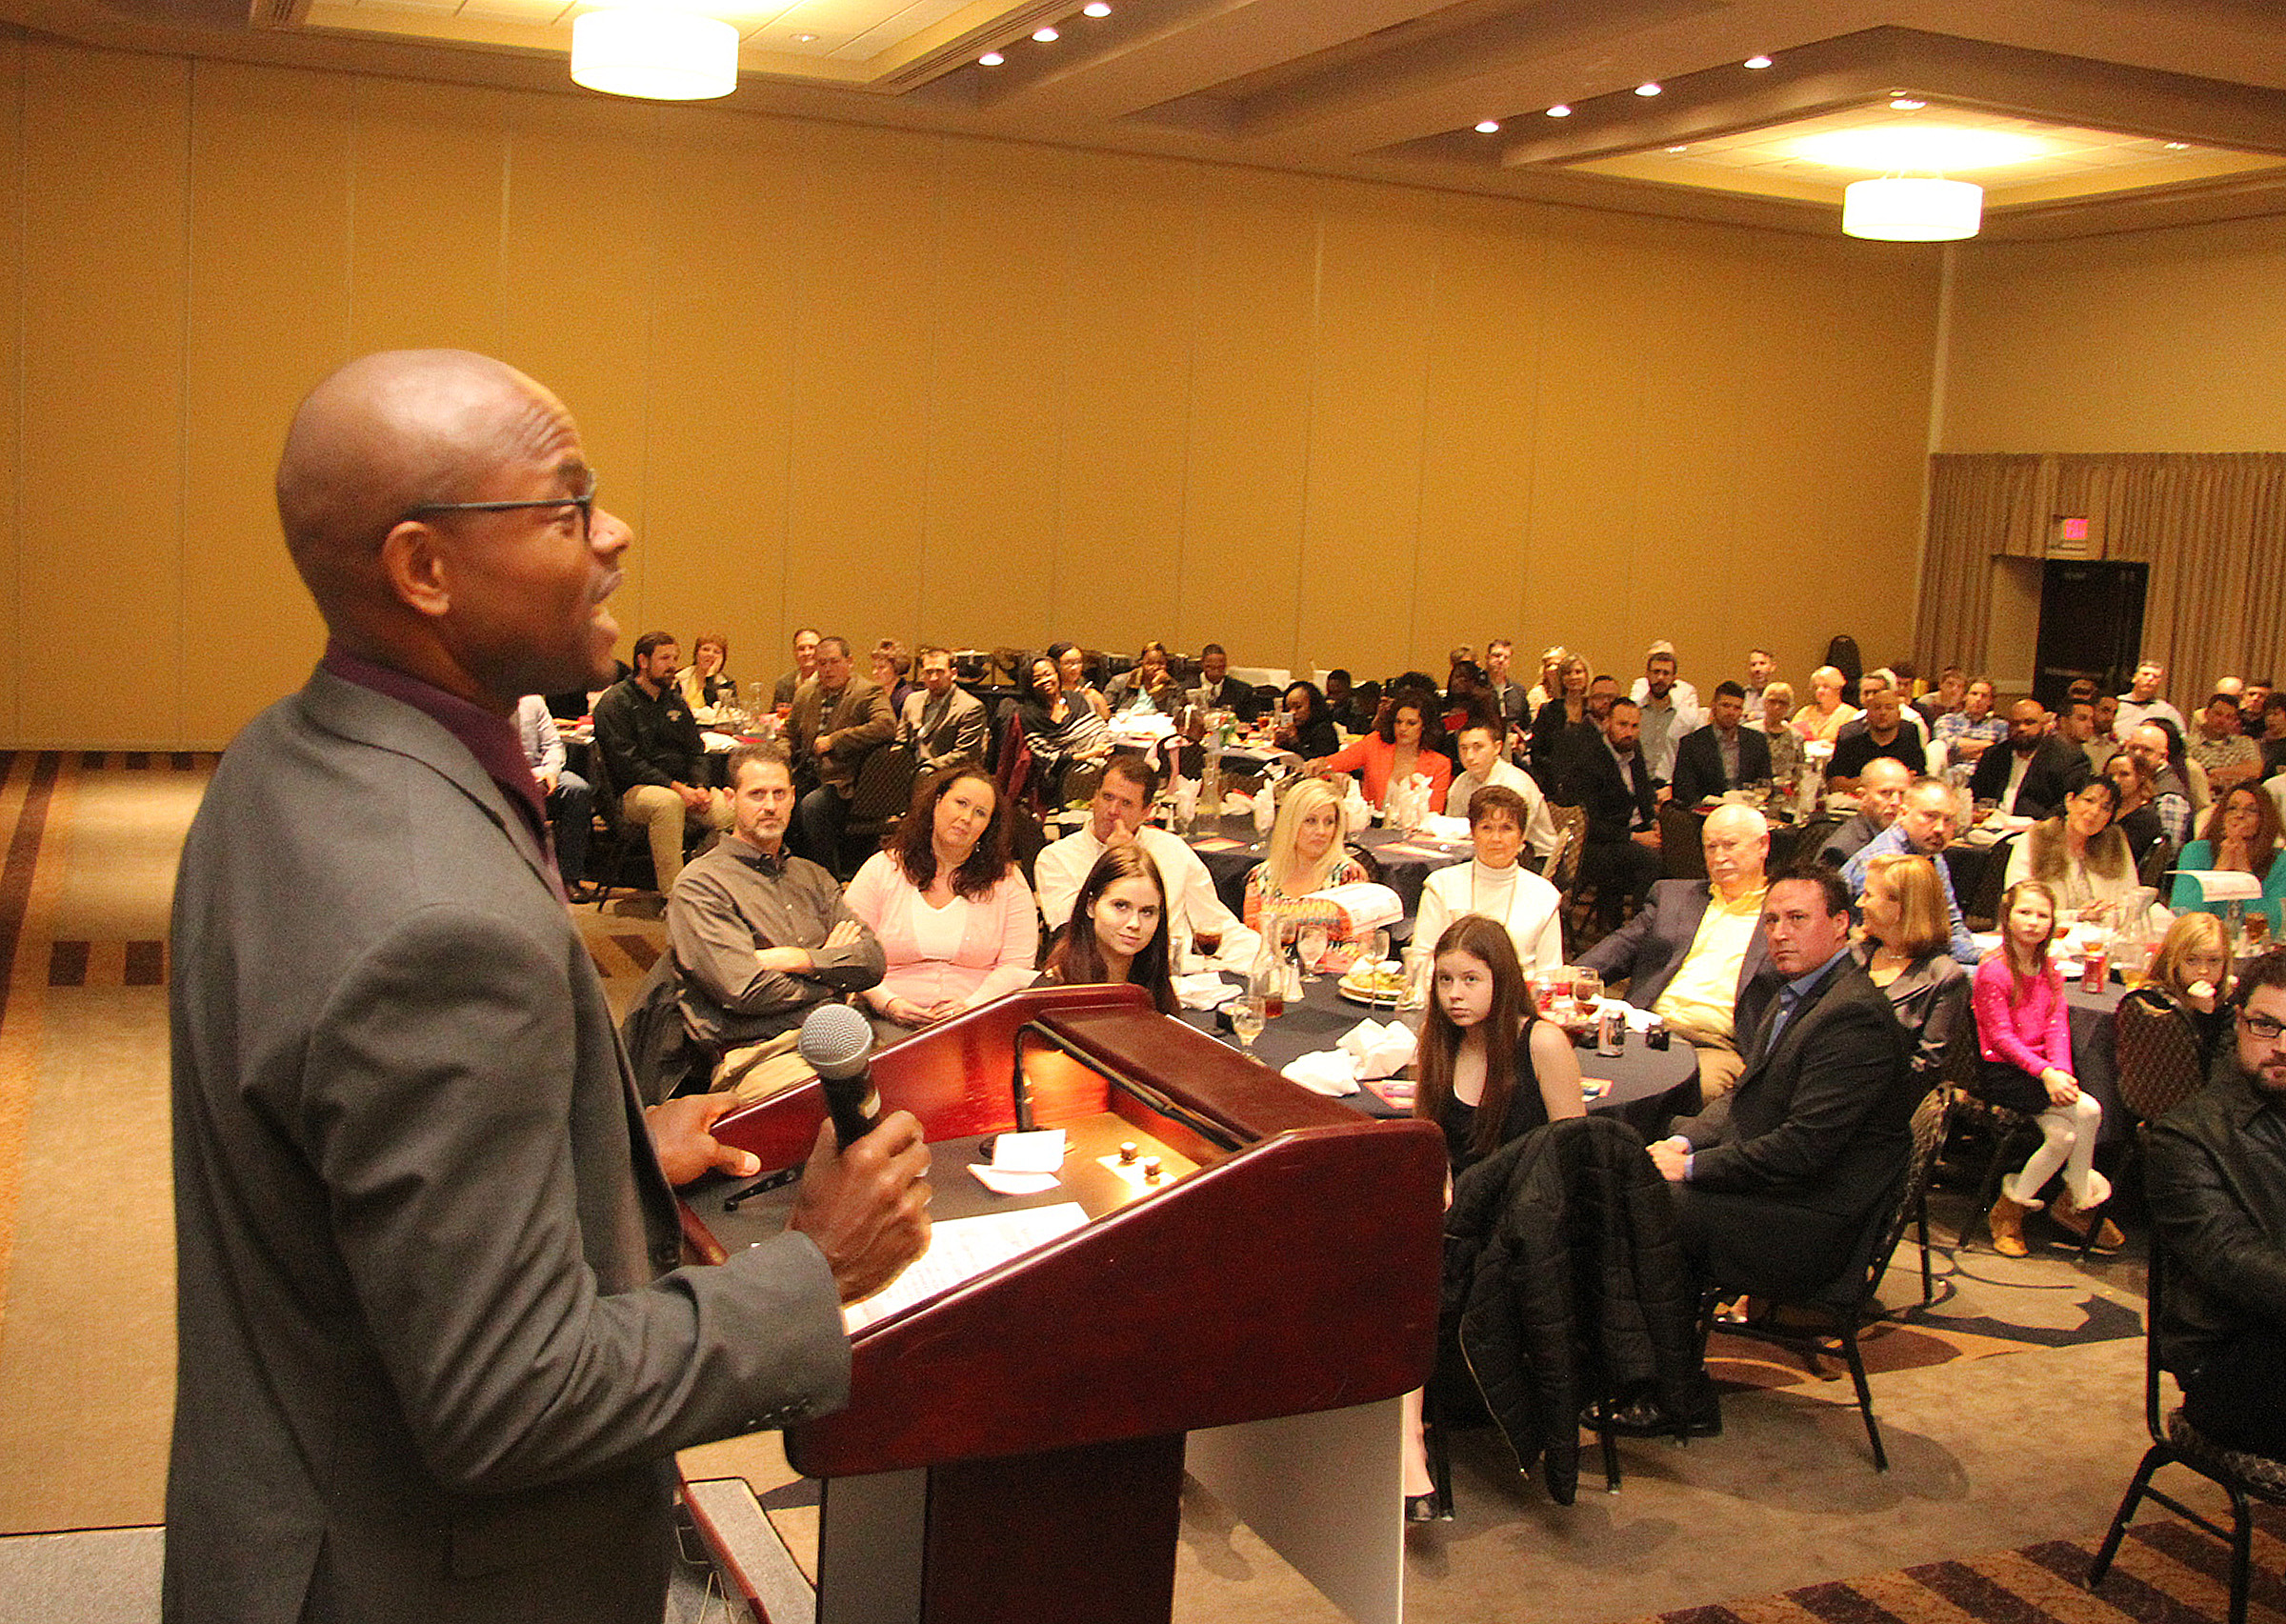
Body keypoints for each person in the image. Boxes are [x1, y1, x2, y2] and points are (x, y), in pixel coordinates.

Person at [167, 350, 931, 1623]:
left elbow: (348, 1154)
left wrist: (604, 1153)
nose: (616, 533)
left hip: (281, 1519)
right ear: (425, 567)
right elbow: (508, 1396)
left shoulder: (277, 761)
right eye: (570, 506)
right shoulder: (440, 920)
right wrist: (813, 1268)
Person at [1649, 866, 1917, 1297]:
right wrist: (1684, 1144)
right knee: (1641, 1169)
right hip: (1782, 1186)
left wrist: (1693, 1168)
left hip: (1811, 1222)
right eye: (1771, 920)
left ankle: (1657, 1332)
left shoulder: (1853, 1017)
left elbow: (1803, 1148)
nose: (1779, 934)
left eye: (1797, 919)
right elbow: (1745, 1093)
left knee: (1642, 1204)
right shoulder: (1796, 992)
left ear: (1840, 923)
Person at [649, 743, 889, 1092]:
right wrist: (833, 974)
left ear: (793, 798)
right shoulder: (701, 884)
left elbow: (873, 961)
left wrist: (799, 959)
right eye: (757, 795)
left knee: (917, 1087)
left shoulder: (813, 877)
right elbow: (746, 989)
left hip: (840, 1033)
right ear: (730, 799)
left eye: (779, 794)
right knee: (839, 1105)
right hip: (760, 1054)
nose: (770, 806)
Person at [2146, 947, 2286, 1457]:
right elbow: (2236, 1261)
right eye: (2267, 1026)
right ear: (2239, 1023)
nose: (2283, 1046)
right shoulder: (2186, 1137)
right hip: (2234, 1363)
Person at [1581, 804, 1773, 1102]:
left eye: (1730, 845)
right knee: (1573, 1073)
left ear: (1763, 845)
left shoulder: (1782, 913)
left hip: (1713, 1045)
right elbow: (1619, 947)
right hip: (1643, 1028)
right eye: (1711, 847)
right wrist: (1572, 977)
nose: (1719, 857)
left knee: (1679, 1091)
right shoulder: (1674, 896)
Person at [1974, 880, 2121, 1256]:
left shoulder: (2049, 968)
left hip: (2042, 1071)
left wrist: (2062, 1071)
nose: (2033, 921)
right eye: (2025, 912)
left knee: (2063, 1138)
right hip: (2005, 1071)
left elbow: (2057, 1026)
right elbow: (2001, 1038)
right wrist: (2046, 1073)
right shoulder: (1993, 970)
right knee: (2090, 1110)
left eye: (2042, 915)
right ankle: (2078, 1195)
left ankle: (2009, 1209)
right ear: (2007, 916)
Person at [846, 767, 1039, 1037]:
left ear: (988, 826)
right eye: (961, 803)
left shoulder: (1008, 880)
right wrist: (888, 1003)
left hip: (979, 1018)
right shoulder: (882, 868)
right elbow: (850, 953)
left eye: (980, 813)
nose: (966, 818)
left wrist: (973, 1006)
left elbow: (1016, 966)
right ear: (937, 802)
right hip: (884, 1018)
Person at [1034, 753, 1258, 969]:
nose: (1112, 811)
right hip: (1097, 974)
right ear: (1094, 797)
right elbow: (1073, 929)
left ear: (1146, 812)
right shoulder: (1056, 858)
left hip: (1174, 974)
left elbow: (1215, 922)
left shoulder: (1172, 849)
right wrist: (1117, 858)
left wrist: (1264, 955)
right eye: (1107, 797)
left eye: (1126, 803)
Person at [1413, 913, 1587, 1177]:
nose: (1454, 994)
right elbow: (1427, 1141)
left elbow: (1573, 1154)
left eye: (1470, 979)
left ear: (1502, 980)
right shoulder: (1436, 1037)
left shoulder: (1543, 1042)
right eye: (1445, 979)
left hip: (1527, 1195)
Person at [592, 629, 734, 897]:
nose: (672, 666)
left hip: (684, 788)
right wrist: (677, 788)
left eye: (675, 658)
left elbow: (697, 751)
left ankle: (698, 877)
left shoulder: (675, 701)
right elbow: (627, 764)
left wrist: (700, 787)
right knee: (667, 804)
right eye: (665, 658)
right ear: (643, 661)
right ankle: (675, 898)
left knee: (731, 812)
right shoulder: (615, 702)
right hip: (632, 792)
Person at [1415, 786, 1566, 975]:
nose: (1496, 838)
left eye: (1506, 828)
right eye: (1486, 828)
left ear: (1522, 837)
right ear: (1473, 834)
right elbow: (1421, 961)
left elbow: (1550, 974)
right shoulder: (1441, 885)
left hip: (1520, 992)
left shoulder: (1544, 895)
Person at [1854, 852, 1971, 1093]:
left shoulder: (1945, 977)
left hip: (1887, 1101)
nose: (1859, 903)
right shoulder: (1851, 956)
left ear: (1900, 907)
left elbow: (1925, 1068)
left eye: (1868, 895)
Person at [1840, 777, 1980, 967]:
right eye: (1930, 816)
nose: (1940, 828)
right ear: (1903, 813)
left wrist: (1982, 958)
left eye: (1948, 820)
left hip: (1916, 957)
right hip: (1871, 963)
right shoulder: (1887, 863)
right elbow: (1895, 944)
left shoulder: (1930, 853)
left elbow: (1950, 924)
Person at [786, 634, 895, 876]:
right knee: (779, 801)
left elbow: (886, 726)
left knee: (812, 807)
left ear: (849, 662)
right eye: (822, 663)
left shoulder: (867, 692)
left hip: (845, 782)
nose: (827, 669)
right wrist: (780, 755)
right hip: (806, 772)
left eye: (834, 662)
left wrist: (835, 740)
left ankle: (828, 878)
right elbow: (788, 733)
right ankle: (791, 876)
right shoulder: (806, 693)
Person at [1560, 697, 1663, 930]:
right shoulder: (1589, 760)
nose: (1629, 733)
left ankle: (1666, 925)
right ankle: (1640, 929)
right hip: (1598, 843)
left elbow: (1644, 795)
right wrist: (1634, 837)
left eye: (1635, 726)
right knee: (1650, 861)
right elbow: (1589, 823)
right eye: (1622, 725)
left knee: (1679, 851)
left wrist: (1654, 822)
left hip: (1634, 832)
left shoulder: (1634, 752)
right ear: (1607, 723)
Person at [1039, 842, 1178, 1013]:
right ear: (1091, 906)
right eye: (1120, 906)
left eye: (1147, 912)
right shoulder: (1053, 990)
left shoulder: (1155, 985)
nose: (1134, 924)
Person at [2003, 776, 2144, 923]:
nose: (2095, 811)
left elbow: (2132, 901)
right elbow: (2018, 907)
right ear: (2070, 800)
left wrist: (2107, 913)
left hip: (2102, 931)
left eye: (2106, 808)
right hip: (2044, 931)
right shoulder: (2036, 839)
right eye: (2089, 801)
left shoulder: (2115, 843)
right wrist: (2077, 916)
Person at [1241, 775, 1369, 929]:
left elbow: (1361, 937)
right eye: (1310, 821)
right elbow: (1251, 935)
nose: (1321, 831)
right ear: (1290, 823)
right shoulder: (1261, 876)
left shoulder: (1349, 874)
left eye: (1329, 822)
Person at [1308, 692, 1453, 813]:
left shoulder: (1440, 764)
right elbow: (1333, 763)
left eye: (1411, 723)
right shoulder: (1374, 743)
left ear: (1425, 726)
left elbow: (1434, 813)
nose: (1402, 728)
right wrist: (1318, 765)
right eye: (1398, 722)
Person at [2172, 783, 2286, 935]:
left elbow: (2275, 926)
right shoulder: (2196, 852)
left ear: (2264, 820)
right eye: (2232, 808)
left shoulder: (2280, 861)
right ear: (2222, 816)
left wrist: (2245, 873)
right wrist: (2219, 871)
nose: (2239, 815)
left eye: (2251, 810)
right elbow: (2182, 915)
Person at [2130, 911, 2236, 1067]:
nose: (2203, 970)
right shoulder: (2152, 1003)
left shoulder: (2230, 1004)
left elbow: (2224, 1067)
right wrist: (2201, 1016)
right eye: (2192, 960)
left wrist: (2209, 1014)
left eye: (2214, 960)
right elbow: (2178, 1063)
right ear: (2173, 960)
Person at [1445, 717, 1557, 862]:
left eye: (1478, 747)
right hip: (1479, 853)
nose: (1469, 756)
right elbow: (1451, 832)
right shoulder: (1461, 782)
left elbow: (1513, 839)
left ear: (1497, 748)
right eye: (1464, 748)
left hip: (1533, 857)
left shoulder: (1515, 783)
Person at [514, 692, 592, 896]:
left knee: (577, 789)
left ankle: (570, 878)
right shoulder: (482, 699)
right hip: (506, 774)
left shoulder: (533, 701)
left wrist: (550, 772)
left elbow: (553, 744)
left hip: (541, 771)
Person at [1013, 652, 1111, 792]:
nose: (1045, 681)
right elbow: (1045, 758)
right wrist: (1089, 754)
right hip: (1061, 776)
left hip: (1100, 761)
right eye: (1037, 679)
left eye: (1048, 674)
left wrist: (1102, 749)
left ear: (1057, 674)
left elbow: (1099, 730)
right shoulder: (1029, 714)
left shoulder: (1077, 699)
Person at [1670, 681, 1774, 807]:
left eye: (1737, 708)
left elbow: (1765, 782)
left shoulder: (1756, 741)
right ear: (1713, 706)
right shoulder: (1692, 743)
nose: (1731, 712)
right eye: (1725, 705)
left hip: (1748, 809)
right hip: (1708, 810)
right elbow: (1683, 790)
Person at [899, 643, 989, 777]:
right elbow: (900, 741)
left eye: (940, 672)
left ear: (953, 674)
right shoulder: (912, 701)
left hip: (946, 776)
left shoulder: (970, 707)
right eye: (929, 672)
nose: (934, 678)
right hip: (909, 774)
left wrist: (927, 768)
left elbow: (965, 754)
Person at [1824, 685, 1926, 790]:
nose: (1883, 713)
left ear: (1898, 714)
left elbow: (1918, 778)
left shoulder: (1909, 733)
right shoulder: (1849, 735)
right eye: (1877, 708)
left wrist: (1862, 782)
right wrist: (1890, 781)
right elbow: (1835, 782)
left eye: (1889, 708)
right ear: (1867, 714)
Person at [1817, 756, 1912, 868]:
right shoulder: (1842, 850)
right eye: (1886, 793)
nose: (1896, 802)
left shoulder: (1913, 836)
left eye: (1903, 794)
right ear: (1862, 796)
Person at [1632, 645, 1702, 787]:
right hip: (1636, 785)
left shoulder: (1686, 717)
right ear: (1647, 675)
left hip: (1671, 787)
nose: (1660, 678)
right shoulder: (1633, 712)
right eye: (1656, 672)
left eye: (1666, 673)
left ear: (1674, 678)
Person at [2126, 721, 2196, 845]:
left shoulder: (2170, 797)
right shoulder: (2134, 781)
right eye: (2133, 748)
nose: (2137, 754)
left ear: (2163, 756)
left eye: (2147, 750)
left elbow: (2168, 849)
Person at [1529, 652, 1594, 783]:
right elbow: (1537, 751)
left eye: (1578, 672)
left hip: (1591, 780)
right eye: (1568, 673)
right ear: (1561, 678)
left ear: (1586, 676)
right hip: (1555, 780)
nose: (1573, 677)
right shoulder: (1549, 710)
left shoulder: (1593, 710)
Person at [2189, 692, 2262, 793]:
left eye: (2228, 717)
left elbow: (2255, 770)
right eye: (2218, 714)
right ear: (2206, 713)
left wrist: (2212, 772)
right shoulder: (2188, 744)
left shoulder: (2245, 743)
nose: (2222, 721)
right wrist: (2234, 773)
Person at [1933, 677, 2005, 764]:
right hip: (1954, 771)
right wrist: (1989, 746)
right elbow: (1948, 746)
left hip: (1985, 770)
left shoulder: (2001, 726)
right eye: (1974, 694)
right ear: (1965, 697)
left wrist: (1961, 751)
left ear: (1990, 701)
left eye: (1984, 696)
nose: (1978, 699)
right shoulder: (1947, 720)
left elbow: (2002, 754)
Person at [1189, 641, 1262, 720]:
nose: (1216, 672)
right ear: (1202, 664)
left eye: (1220, 667)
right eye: (1211, 667)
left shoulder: (1243, 691)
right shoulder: (1186, 688)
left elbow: (1250, 721)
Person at [2116, 660, 2185, 739]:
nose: (2150, 678)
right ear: (2134, 678)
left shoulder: (2167, 711)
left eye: (2155, 677)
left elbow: (2182, 739)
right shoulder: (2116, 704)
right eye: (2145, 674)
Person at [1274, 679, 1341, 759]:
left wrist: (1295, 742)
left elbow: (1317, 761)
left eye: (1298, 707)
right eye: (1288, 709)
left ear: (1313, 705)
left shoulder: (1324, 730)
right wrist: (1279, 743)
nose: (1292, 712)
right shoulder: (1296, 727)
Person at [1792, 665, 1858, 744]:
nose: (1819, 691)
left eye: (1825, 686)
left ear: (1838, 689)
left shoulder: (1851, 715)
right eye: (1816, 687)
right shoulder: (1805, 712)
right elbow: (1790, 737)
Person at [674, 632, 736, 716]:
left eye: (716, 652)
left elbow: (720, 712)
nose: (710, 654)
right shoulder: (678, 677)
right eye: (705, 649)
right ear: (696, 653)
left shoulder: (727, 684)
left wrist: (710, 677)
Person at [1103, 640, 1174, 714]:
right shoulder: (1119, 681)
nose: (1156, 667)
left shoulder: (1171, 685)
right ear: (1141, 663)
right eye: (1150, 663)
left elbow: (1175, 712)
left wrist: (1160, 690)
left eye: (1161, 663)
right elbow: (1105, 710)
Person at [1758, 679, 1804, 782]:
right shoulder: (1751, 732)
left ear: (1789, 706)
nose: (1777, 707)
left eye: (1783, 703)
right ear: (1764, 702)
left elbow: (1799, 772)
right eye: (1772, 701)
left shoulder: (1796, 737)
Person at [1483, 637, 1531, 737]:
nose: (1501, 660)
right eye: (1496, 656)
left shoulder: (1518, 691)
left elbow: (1526, 725)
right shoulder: (1474, 688)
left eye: (1506, 657)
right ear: (1487, 658)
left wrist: (1519, 739)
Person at [772, 626, 821, 709]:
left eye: (812, 647)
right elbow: (774, 713)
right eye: (801, 649)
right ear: (794, 652)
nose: (807, 653)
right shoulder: (784, 683)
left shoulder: (829, 681)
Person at [871, 639, 916, 718]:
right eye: (874, 667)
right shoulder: (875, 694)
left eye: (881, 667)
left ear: (896, 668)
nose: (875, 672)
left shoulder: (906, 696)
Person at [1915, 665, 1967, 729]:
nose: (1954, 689)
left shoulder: (1965, 705)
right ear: (1940, 685)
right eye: (1950, 684)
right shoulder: (1926, 702)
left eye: (1959, 686)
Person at [1742, 648, 1777, 717]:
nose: (1757, 669)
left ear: (1773, 667)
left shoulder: (1779, 694)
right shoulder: (1742, 694)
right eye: (1753, 664)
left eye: (1762, 663)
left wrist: (1755, 715)